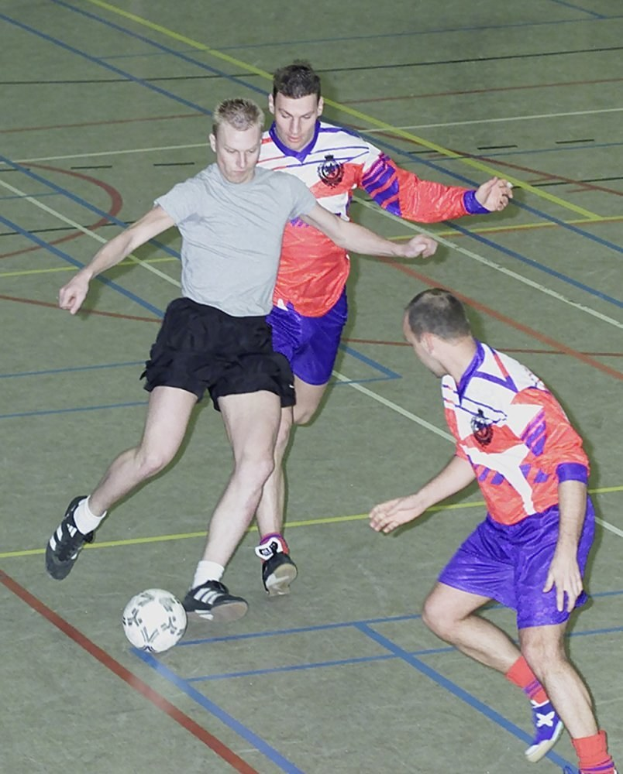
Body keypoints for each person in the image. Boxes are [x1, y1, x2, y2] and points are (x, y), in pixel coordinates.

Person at [45, 97, 437, 622]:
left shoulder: (282, 189)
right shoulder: (195, 192)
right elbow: (133, 235)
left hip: (252, 335)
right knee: (155, 455)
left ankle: (206, 582)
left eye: (251, 151)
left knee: (257, 462)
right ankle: (85, 515)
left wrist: (401, 249)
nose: (241, 162)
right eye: (231, 151)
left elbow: (342, 232)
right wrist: (87, 273)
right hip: (195, 328)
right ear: (213, 144)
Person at [252, 61, 514, 597]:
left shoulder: (350, 153)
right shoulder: (251, 153)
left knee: (300, 413)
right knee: (272, 435)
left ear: (320, 108)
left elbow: (407, 195)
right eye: (284, 115)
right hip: (269, 310)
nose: (294, 127)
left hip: (326, 310)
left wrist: (472, 201)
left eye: (304, 116)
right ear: (272, 106)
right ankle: (271, 546)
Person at [369, 288, 617, 774]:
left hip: (549, 526)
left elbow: (571, 464)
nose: (414, 352)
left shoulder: (507, 391)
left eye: (410, 343)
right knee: (443, 615)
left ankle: (599, 768)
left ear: (428, 342)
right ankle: (542, 700)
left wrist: (565, 551)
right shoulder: (453, 384)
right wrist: (419, 501)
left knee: (545, 650)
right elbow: (472, 454)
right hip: (503, 527)